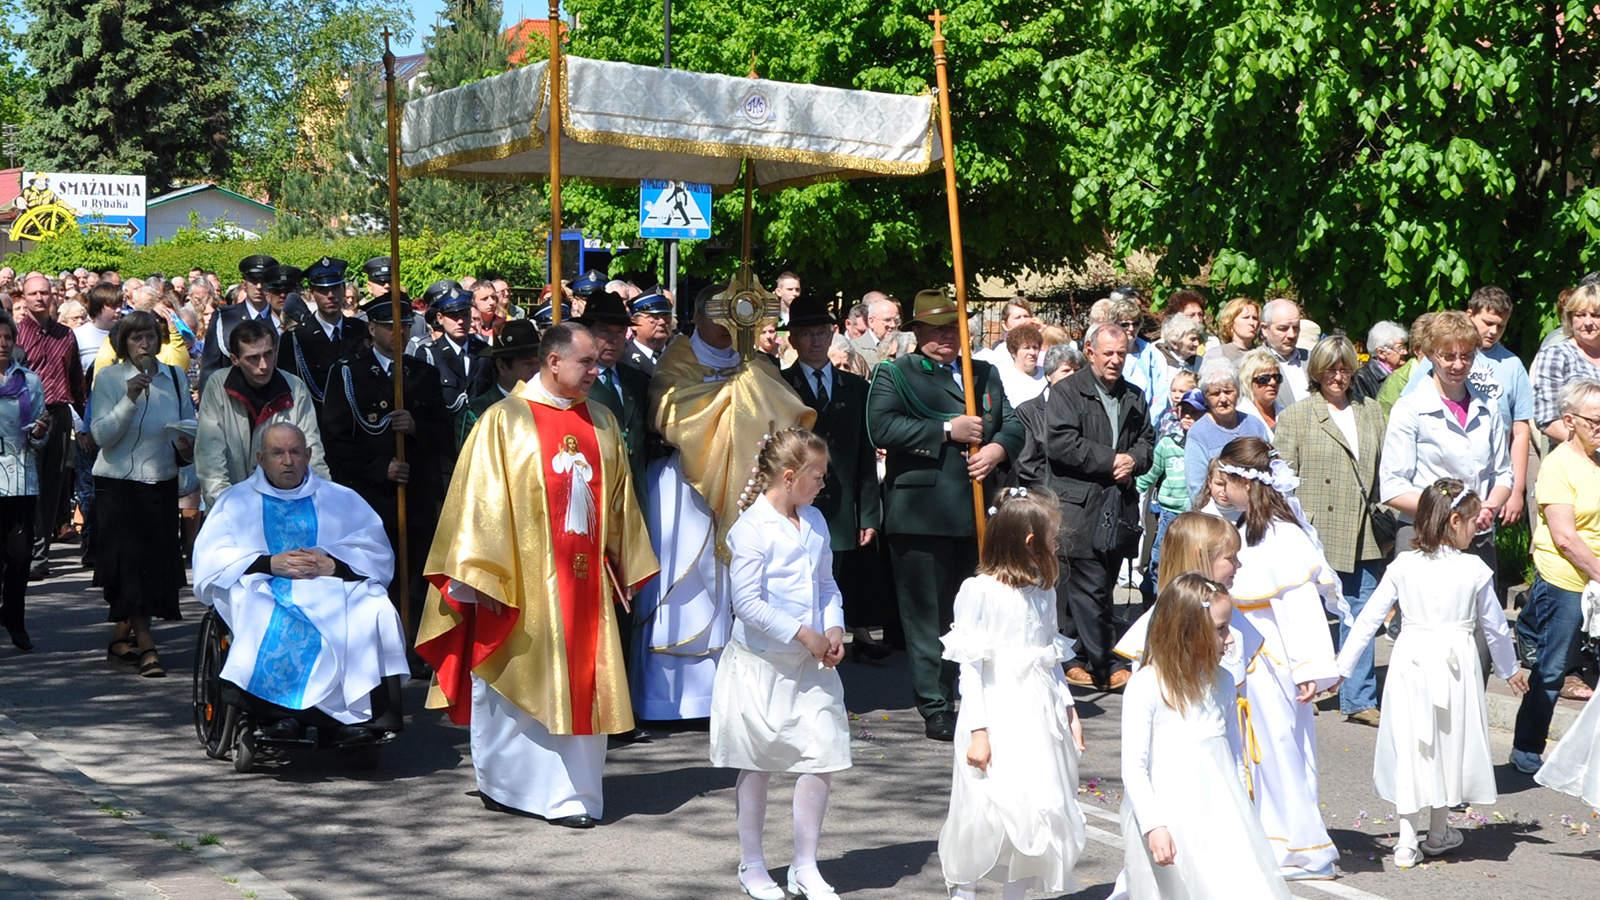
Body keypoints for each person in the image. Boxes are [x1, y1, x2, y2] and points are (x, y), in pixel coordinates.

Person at [416, 322, 658, 827]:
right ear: (553, 362)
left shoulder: (605, 423)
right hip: (518, 585)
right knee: (517, 676)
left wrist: (626, 560)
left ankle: (573, 795)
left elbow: (620, 501)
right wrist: (476, 575)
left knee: (585, 680)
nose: (597, 370)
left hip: (585, 583)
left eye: (597, 362)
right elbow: (477, 503)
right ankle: (505, 785)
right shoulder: (504, 422)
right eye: (586, 363)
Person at [633, 283, 815, 722]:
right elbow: (670, 411)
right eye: (718, 314)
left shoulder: (756, 363)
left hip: (747, 485)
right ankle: (668, 697)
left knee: (738, 581)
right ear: (697, 317)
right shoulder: (678, 358)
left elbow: (784, 411)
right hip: (687, 485)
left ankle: (732, 690)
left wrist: (747, 390)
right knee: (685, 580)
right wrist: (737, 397)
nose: (728, 326)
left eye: (735, 316)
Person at [1336, 479, 1526, 869]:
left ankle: (1407, 841)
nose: (1477, 529)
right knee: (1447, 742)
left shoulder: (1403, 563)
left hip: (1412, 659)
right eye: (1473, 521)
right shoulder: (1474, 567)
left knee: (1413, 743)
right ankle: (1437, 832)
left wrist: (1342, 668)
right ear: (1454, 521)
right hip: (1456, 662)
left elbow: (1369, 617)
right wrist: (1510, 670)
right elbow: (1493, 627)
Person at [868, 288, 1023, 739]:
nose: (946, 338)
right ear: (917, 333)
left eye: (952, 328)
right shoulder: (896, 374)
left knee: (977, 612)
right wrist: (945, 429)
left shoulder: (984, 372)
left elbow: (1012, 423)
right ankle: (935, 702)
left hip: (978, 512)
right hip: (923, 514)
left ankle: (974, 695)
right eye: (935, 330)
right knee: (928, 617)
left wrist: (996, 449)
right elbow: (883, 425)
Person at [192, 423, 410, 742]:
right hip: (264, 586)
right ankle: (280, 716)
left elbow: (374, 549)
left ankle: (359, 719)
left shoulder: (340, 498)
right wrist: (268, 563)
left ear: (308, 456)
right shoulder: (236, 501)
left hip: (331, 583)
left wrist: (332, 563)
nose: (287, 460)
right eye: (277, 453)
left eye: (295, 452)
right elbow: (213, 556)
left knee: (373, 605)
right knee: (261, 608)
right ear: (260, 458)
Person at [712, 428, 849, 900]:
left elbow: (827, 584)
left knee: (822, 754)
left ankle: (805, 864)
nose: (822, 485)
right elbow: (746, 602)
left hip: (811, 665)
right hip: (763, 663)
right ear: (789, 477)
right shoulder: (750, 529)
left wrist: (832, 628)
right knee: (759, 761)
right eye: (817, 476)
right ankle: (752, 863)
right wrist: (802, 632)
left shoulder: (813, 521)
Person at [938, 488, 1086, 900]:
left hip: (1039, 713)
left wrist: (1070, 709)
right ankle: (963, 890)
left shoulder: (1043, 590)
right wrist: (979, 731)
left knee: (1037, 807)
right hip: (997, 711)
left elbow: (1050, 655)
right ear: (1029, 543)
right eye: (1053, 538)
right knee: (983, 808)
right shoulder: (979, 590)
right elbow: (971, 665)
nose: (1058, 545)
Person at [1214, 437, 1341, 880]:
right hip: (1248, 662)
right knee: (1258, 752)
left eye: (1227, 481)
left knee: (1284, 749)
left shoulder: (1283, 536)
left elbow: (1302, 608)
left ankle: (1305, 850)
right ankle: (1271, 836)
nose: (1220, 489)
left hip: (1276, 662)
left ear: (1248, 484)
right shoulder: (1246, 529)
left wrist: (1311, 668)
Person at [1120, 573, 1290, 900]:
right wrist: (1154, 826)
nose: (1230, 639)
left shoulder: (1223, 682)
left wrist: (1245, 814)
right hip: (1172, 820)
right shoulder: (1146, 686)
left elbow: (1235, 754)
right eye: (1220, 628)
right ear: (1187, 631)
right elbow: (1134, 768)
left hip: (1222, 815)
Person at [1272, 334, 1389, 726]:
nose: (1339, 376)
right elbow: (1282, 479)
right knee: (1306, 614)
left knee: (1363, 613)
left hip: (1365, 529)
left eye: (1345, 369)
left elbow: (1386, 471)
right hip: (1314, 530)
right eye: (1330, 370)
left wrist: (1385, 512)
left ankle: (1358, 699)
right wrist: (1291, 528)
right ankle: (1301, 685)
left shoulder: (1372, 412)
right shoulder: (1296, 416)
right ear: (1317, 373)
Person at [321, 293, 450, 645]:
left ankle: (414, 644)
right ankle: (377, 646)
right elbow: (335, 439)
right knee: (374, 577)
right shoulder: (350, 373)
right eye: (392, 325)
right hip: (371, 498)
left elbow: (445, 436)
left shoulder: (423, 374)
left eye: (406, 325)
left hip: (417, 497)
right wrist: (381, 468)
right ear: (373, 327)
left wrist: (416, 427)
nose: (401, 332)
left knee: (416, 577)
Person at [1042, 322, 1154, 690]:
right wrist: (1112, 460)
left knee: (1101, 582)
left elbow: (1147, 442)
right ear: (1090, 352)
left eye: (1121, 354)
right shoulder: (1067, 393)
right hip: (1078, 505)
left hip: (1117, 506)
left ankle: (1073, 657)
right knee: (1089, 586)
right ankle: (1105, 663)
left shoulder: (1134, 396)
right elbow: (1060, 443)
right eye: (1108, 353)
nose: (1115, 361)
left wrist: (1133, 461)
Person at [90, 311, 196, 678]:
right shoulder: (108, 378)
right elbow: (102, 436)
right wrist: (130, 398)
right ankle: (148, 645)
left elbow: (189, 430)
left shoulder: (176, 378)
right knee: (130, 566)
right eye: (136, 338)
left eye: (150, 337)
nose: (144, 344)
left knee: (153, 567)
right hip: (118, 486)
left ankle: (121, 638)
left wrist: (186, 448)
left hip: (160, 483)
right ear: (124, 343)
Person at [780, 297, 884, 661]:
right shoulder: (780, 385)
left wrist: (868, 512)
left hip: (840, 507)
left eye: (822, 332)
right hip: (792, 502)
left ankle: (829, 654)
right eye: (806, 334)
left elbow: (864, 455)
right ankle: (796, 655)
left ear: (833, 334)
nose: (816, 341)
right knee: (794, 581)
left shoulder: (855, 388)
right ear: (792, 339)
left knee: (829, 583)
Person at [1512, 378, 1600, 774]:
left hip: (1595, 578)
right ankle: (1527, 747)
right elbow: (1565, 537)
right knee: (1552, 669)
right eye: (1595, 421)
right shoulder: (1557, 464)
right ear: (1570, 420)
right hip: (1566, 579)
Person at [1379, 310, 1511, 569]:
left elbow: (1503, 473)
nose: (1459, 365)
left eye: (1467, 356)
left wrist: (1489, 506)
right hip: (1424, 537)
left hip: (1477, 537)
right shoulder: (1410, 408)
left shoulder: (1488, 406)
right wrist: (1449, 513)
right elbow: (1393, 485)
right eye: (1448, 356)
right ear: (1430, 355)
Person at [1400, 287, 1534, 528]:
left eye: (1501, 326)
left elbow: (1520, 430)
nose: (1493, 331)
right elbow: (1411, 409)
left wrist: (1515, 490)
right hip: (1436, 492)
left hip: (1486, 480)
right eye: (1487, 323)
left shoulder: (1512, 365)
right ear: (1470, 314)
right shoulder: (1442, 357)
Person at [194, 318, 329, 510]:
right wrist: (226, 509)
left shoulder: (295, 387)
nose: (264, 365)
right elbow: (210, 458)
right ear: (235, 359)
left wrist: (324, 501)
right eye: (253, 358)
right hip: (231, 506)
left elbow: (311, 450)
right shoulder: (218, 386)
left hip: (287, 506)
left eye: (268, 354)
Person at [14, 274, 86, 581]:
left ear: (52, 296)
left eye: (44, 293)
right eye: (33, 294)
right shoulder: (15, 336)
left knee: (52, 488)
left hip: (59, 415)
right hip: (25, 417)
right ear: (25, 298)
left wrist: (85, 423)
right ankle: (24, 551)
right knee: (27, 487)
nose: (40, 298)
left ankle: (40, 557)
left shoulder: (66, 336)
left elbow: (77, 382)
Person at [0, 317, 49, 652]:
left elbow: (39, 431)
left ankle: (15, 620)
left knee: (19, 556)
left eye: (7, 337)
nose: (2, 342)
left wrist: (40, 433)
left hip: (20, 478)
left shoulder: (28, 381)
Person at [1135, 389, 1203, 608]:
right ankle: (1151, 600)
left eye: (1195, 413)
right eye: (1184, 411)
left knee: (1189, 564)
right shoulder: (1167, 443)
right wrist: (1133, 491)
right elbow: (1151, 474)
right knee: (1159, 560)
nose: (1188, 417)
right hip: (1169, 513)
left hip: (1194, 514)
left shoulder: (1204, 446)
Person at [278, 257, 369, 412]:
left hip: (357, 423)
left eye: (335, 288)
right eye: (322, 290)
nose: (330, 295)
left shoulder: (362, 330)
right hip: (314, 423)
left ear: (343, 289)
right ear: (312, 293)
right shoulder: (295, 338)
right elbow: (286, 390)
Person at [1181, 361, 1271, 508]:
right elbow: (1196, 487)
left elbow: (1269, 468)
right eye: (1215, 393)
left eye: (1228, 391)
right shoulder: (1198, 433)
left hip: (1256, 510)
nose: (1223, 399)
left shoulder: (1255, 425)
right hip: (1217, 516)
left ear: (1238, 392)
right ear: (1205, 398)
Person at [1531, 283, 1600, 443]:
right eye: (1580, 315)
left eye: (1596, 315)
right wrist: (1593, 450)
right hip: (1577, 458)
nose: (1588, 322)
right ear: (1570, 318)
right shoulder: (1557, 354)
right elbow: (1548, 419)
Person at [456, 320, 541, 449]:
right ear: (502, 366)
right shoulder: (478, 413)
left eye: (539, 363)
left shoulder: (547, 405)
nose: (536, 371)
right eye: (528, 364)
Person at [200, 255, 278, 386]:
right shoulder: (224, 318)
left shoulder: (282, 318)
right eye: (253, 280)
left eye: (264, 281)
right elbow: (209, 369)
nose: (259, 286)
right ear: (244, 284)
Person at [1258, 299, 1308, 404]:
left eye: (1296, 328)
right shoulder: (1248, 365)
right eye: (1283, 328)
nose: (1292, 335)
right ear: (1265, 329)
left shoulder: (1313, 359)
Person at [622, 288, 673, 377]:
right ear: (634, 323)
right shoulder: (622, 358)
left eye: (666, 316)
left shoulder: (680, 356)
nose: (662, 322)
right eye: (654, 317)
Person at [1234, 348, 1285, 435]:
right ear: (1248, 381)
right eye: (1264, 378)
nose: (1273, 382)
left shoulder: (1287, 415)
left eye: (1277, 377)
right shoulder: (1238, 418)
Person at [1353, 320, 1408, 402]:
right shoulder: (1361, 379)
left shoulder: (1405, 373)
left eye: (1404, 347)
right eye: (1400, 348)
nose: (1405, 352)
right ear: (1381, 353)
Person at [995, 322, 1046, 407]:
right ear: (1013, 352)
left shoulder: (1046, 375)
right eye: (1026, 348)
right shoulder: (1001, 375)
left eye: (1035, 347)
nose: (1032, 352)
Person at [1201, 299, 1258, 365]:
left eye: (1255, 318)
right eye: (1246, 317)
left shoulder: (1265, 354)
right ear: (1231, 324)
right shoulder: (1216, 355)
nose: (1252, 322)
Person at [852, 293, 899, 367]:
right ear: (871, 321)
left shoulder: (905, 346)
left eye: (896, 320)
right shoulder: (855, 349)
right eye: (887, 320)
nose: (893, 325)